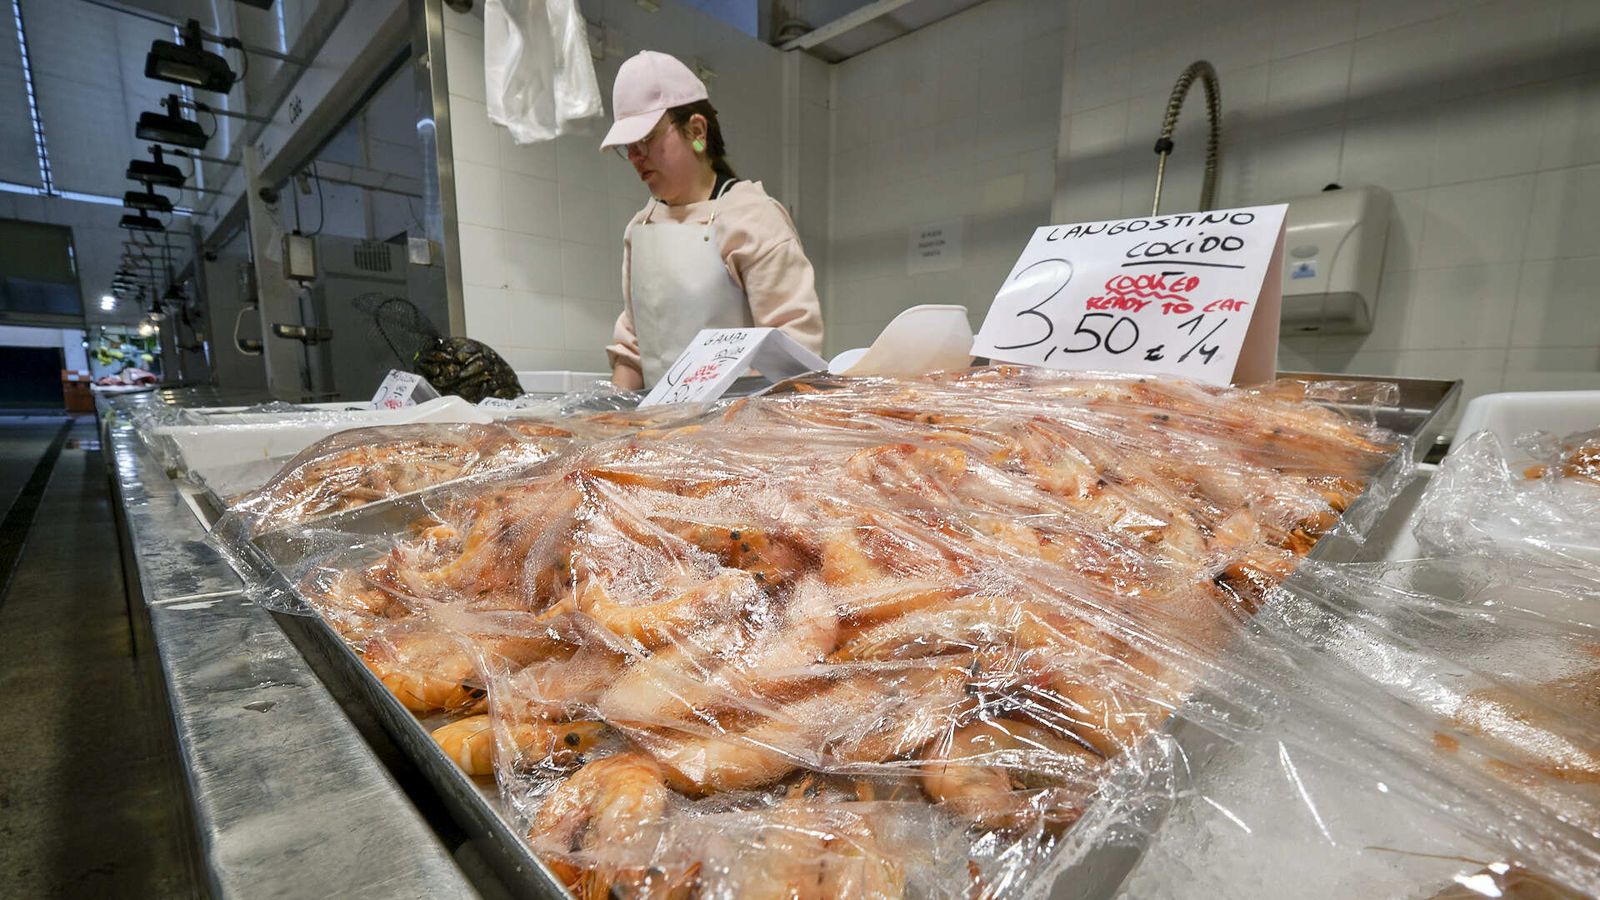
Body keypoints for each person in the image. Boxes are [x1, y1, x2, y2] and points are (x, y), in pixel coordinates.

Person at [600, 51, 823, 390]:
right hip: (662, 434)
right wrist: (609, 422)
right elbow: (632, 349)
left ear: (696, 130)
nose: (634, 157)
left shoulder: (752, 217)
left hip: (741, 433)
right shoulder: (639, 229)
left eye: (646, 139)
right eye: (627, 146)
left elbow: (793, 357)